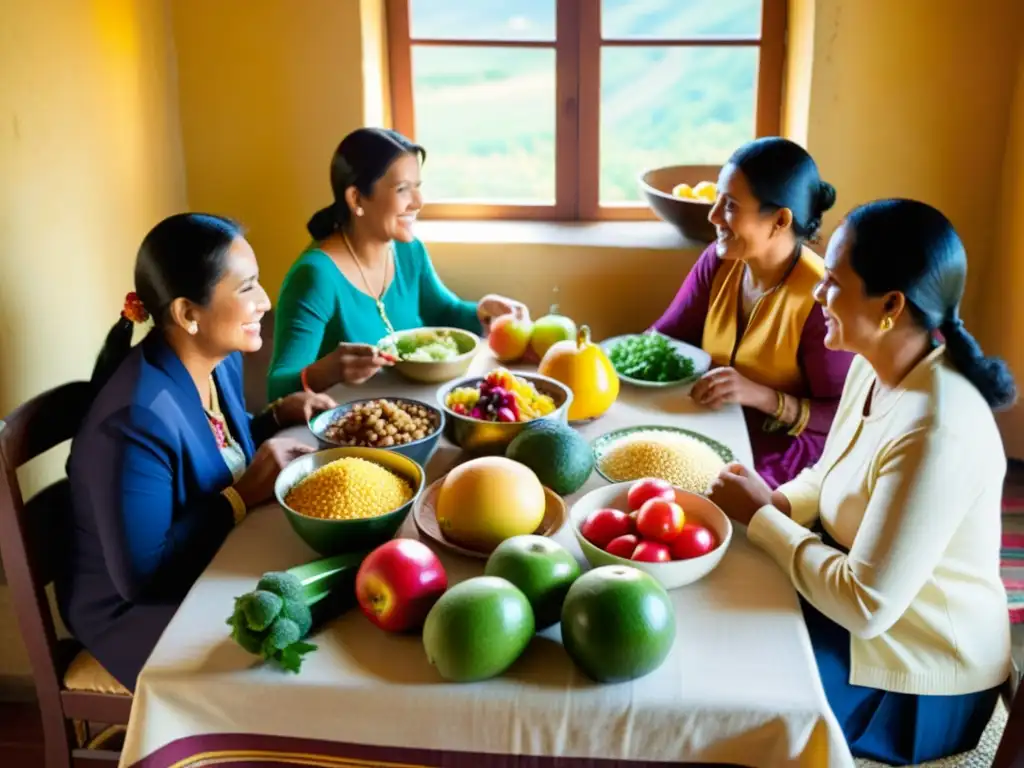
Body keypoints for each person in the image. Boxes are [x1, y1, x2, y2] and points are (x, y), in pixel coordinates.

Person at [708, 199, 1015, 765]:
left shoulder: (938, 427)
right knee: (725, 607)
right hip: (868, 625)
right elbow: (829, 470)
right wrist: (775, 499)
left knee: (743, 695)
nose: (818, 295)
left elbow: (866, 604)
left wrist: (765, 520)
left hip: (918, 672)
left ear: (891, 305)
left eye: (832, 282)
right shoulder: (876, 366)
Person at [57, 213, 336, 692]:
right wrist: (241, 497)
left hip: (205, 562)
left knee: (324, 600)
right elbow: (143, 577)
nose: (266, 302)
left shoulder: (216, 362)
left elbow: (213, 449)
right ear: (188, 313)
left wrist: (273, 416)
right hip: (135, 613)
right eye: (247, 288)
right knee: (294, 668)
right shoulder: (133, 420)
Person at [268, 127, 527, 400]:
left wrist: (482, 312)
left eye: (418, 188)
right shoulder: (315, 277)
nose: (418, 202)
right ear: (356, 198)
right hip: (348, 428)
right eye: (403, 189)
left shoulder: (407, 250)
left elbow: (442, 312)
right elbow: (276, 389)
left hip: (413, 411)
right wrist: (326, 371)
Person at [652, 137, 854, 488]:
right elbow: (665, 339)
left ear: (779, 220)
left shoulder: (820, 298)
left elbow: (844, 416)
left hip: (786, 452)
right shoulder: (718, 262)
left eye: (729, 205)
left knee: (707, 494)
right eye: (716, 200)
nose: (713, 216)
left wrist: (763, 396)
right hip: (713, 422)